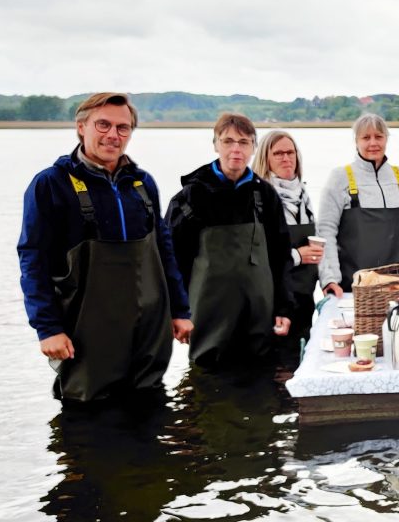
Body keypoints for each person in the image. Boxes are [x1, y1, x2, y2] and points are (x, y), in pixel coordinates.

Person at [18, 92, 191, 402]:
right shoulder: (50, 185)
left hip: (148, 335)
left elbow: (165, 252)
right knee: (88, 423)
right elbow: (33, 260)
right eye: (103, 125)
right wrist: (47, 329)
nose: (113, 135)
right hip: (87, 337)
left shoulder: (142, 184)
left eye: (123, 128)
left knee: (150, 412)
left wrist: (180, 311)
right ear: (81, 127)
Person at [166, 113, 294, 366]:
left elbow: (280, 256)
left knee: (260, 387)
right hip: (208, 322)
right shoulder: (191, 196)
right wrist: (176, 313)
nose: (236, 149)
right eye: (228, 141)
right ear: (216, 145)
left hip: (258, 320)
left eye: (244, 142)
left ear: (254, 148)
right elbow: (171, 261)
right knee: (207, 388)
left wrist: (284, 308)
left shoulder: (264, 194)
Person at [318, 113, 399, 296]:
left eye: (379, 136)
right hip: (355, 288)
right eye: (366, 137)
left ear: (386, 139)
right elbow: (325, 232)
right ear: (356, 141)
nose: (373, 143)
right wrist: (330, 279)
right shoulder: (340, 177)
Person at [253, 130, 322, 349]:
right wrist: (298, 256)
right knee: (278, 364)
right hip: (275, 298)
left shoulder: (303, 195)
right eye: (278, 153)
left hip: (304, 294)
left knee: (301, 355)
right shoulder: (259, 198)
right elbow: (257, 254)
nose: (286, 158)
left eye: (290, 152)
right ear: (266, 158)